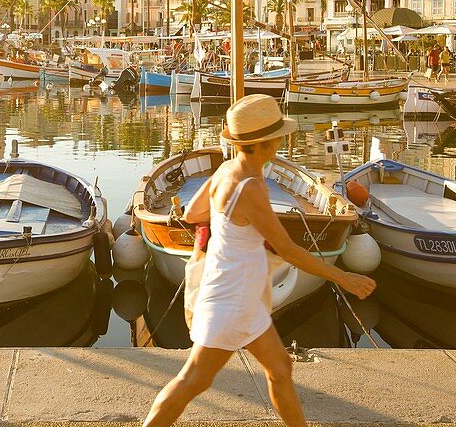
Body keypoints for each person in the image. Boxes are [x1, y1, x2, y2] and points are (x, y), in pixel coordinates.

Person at [143, 96, 374, 427]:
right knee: (193, 379)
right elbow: (288, 250)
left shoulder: (227, 170)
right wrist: (344, 278)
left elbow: (193, 213)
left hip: (242, 297)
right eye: (278, 134)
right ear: (267, 142)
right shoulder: (249, 186)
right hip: (230, 301)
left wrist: (228, 225)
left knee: (280, 368)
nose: (282, 139)